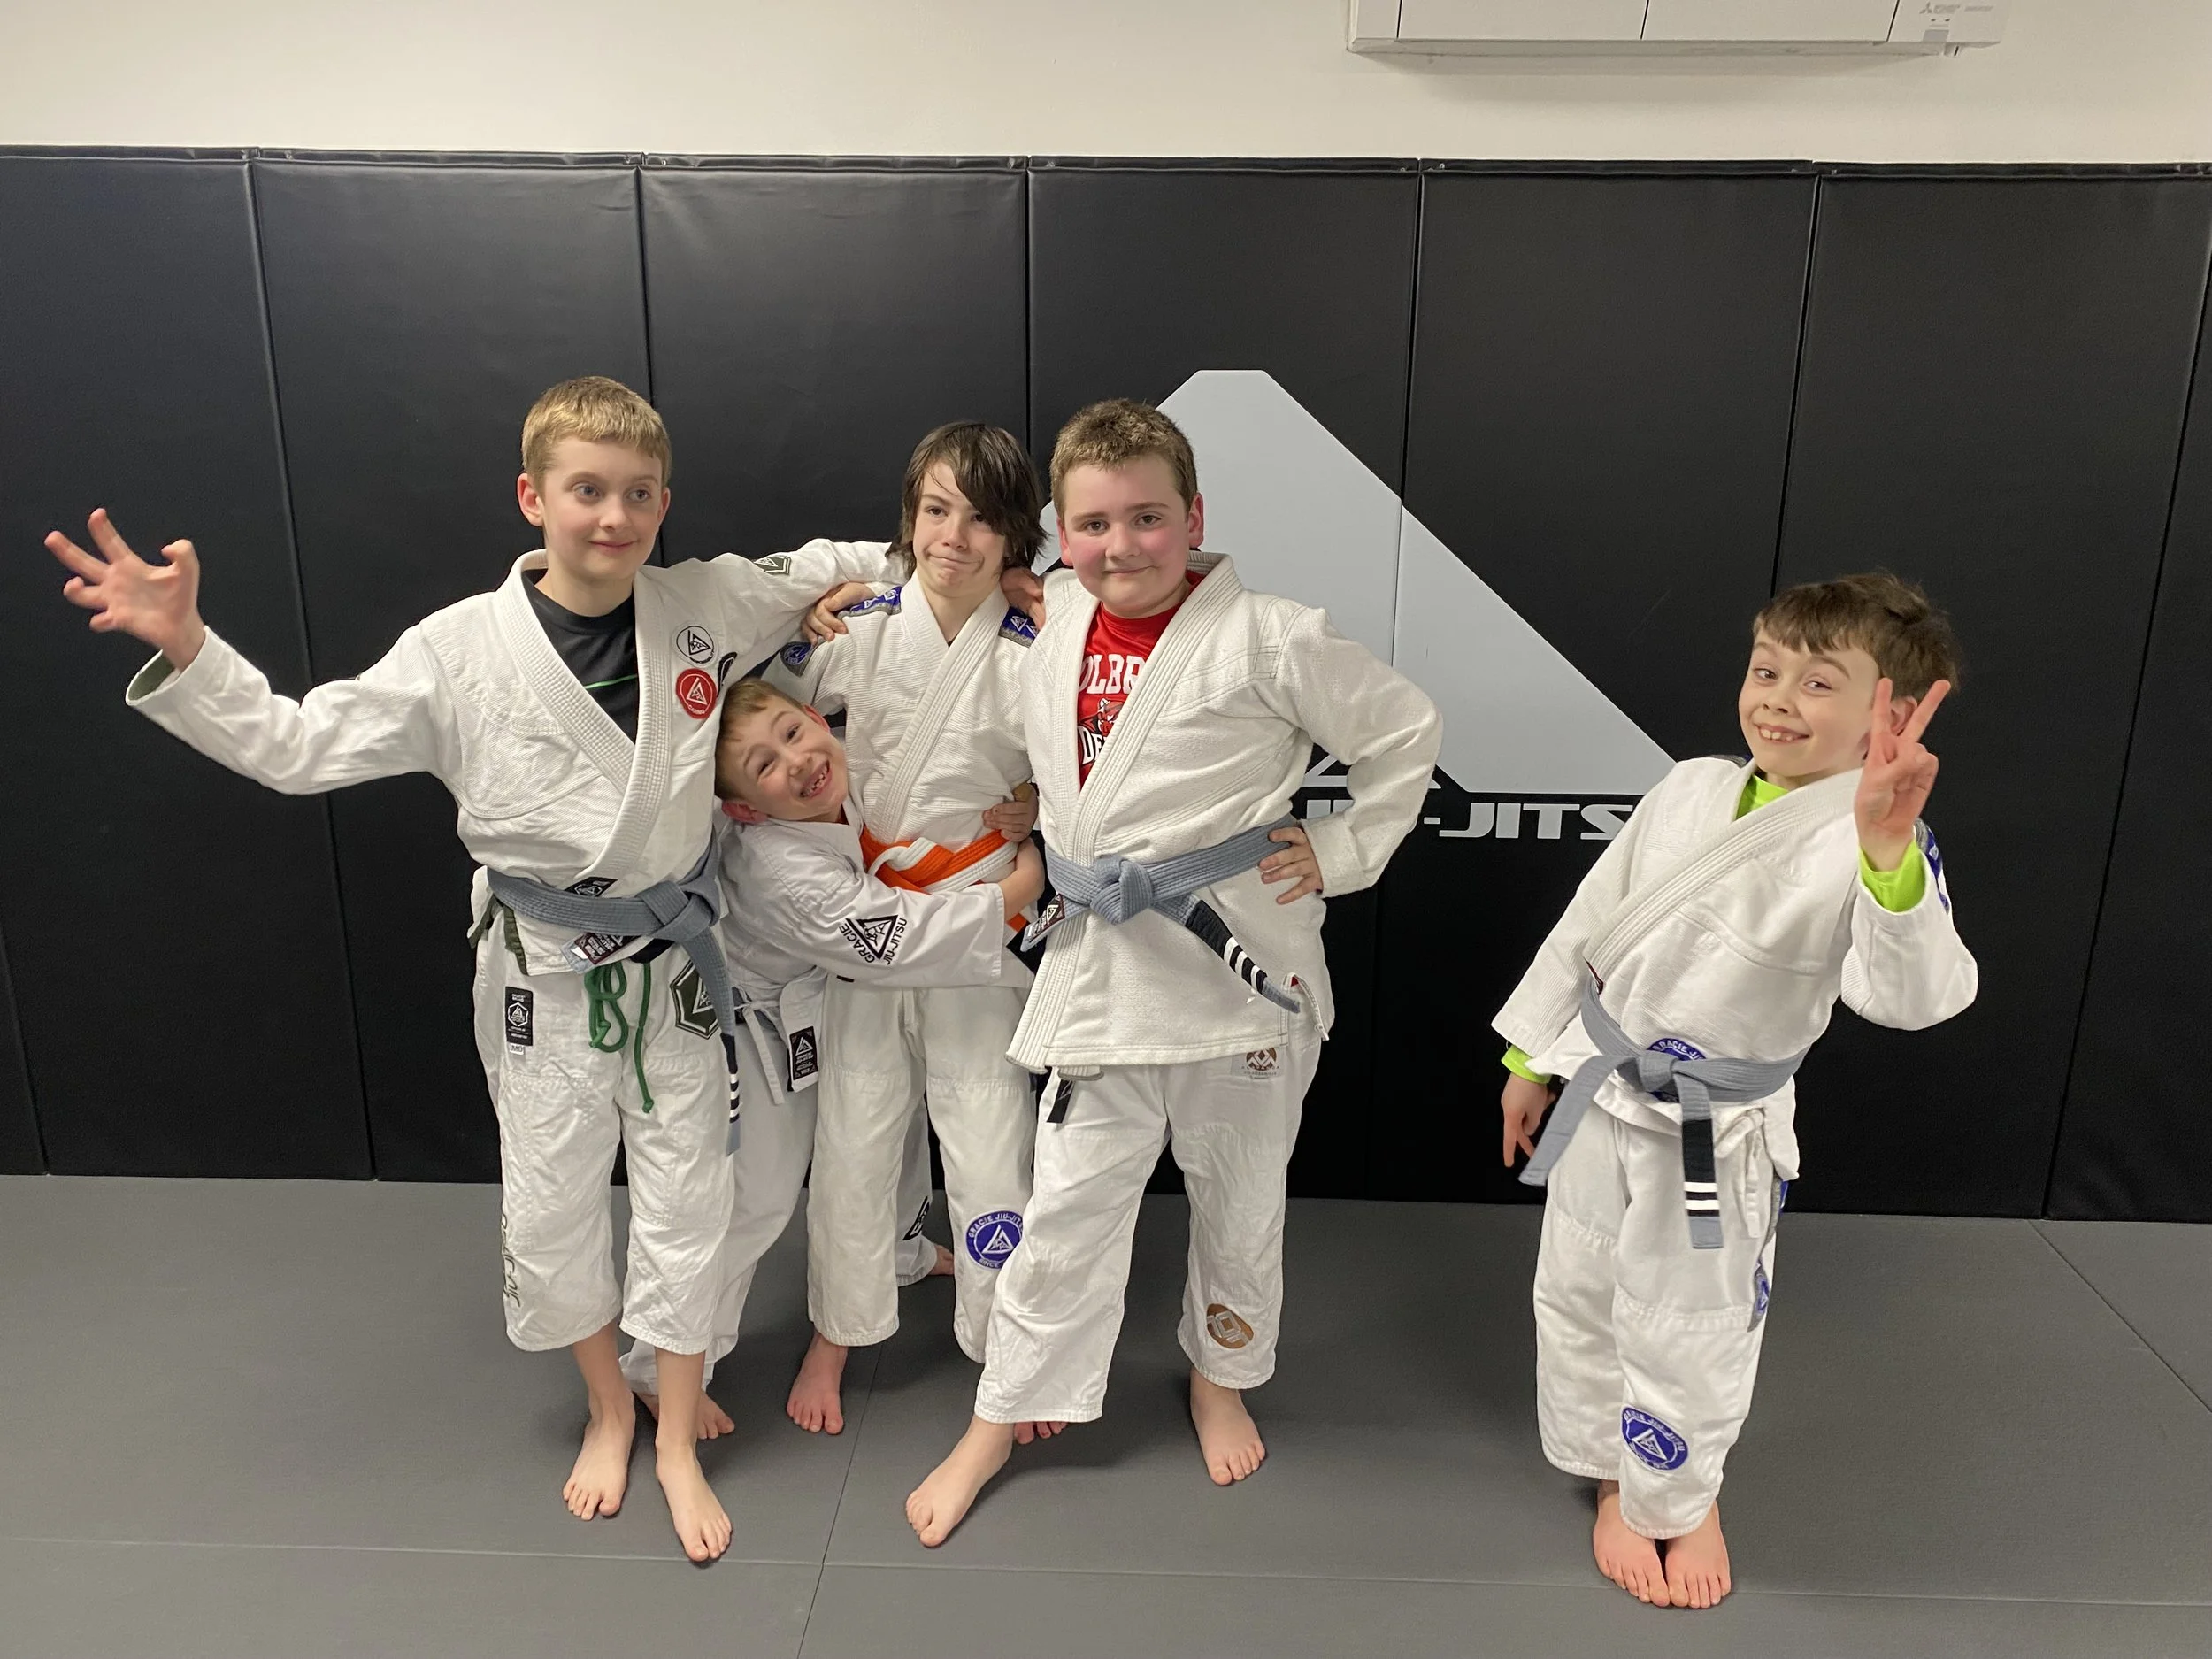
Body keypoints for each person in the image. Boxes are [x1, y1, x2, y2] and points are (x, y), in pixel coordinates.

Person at [42, 376, 899, 1563]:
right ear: (532, 494)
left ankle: (675, 1437)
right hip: (540, 975)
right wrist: (191, 645)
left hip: (674, 971)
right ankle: (610, 1409)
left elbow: (830, 560)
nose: (614, 515)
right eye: (587, 489)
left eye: (638, 492)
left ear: (664, 502)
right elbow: (299, 745)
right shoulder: (457, 653)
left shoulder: (700, 603)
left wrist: (959, 571)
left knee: (689, 1196)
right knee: (552, 1198)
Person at [903, 398, 1441, 1547]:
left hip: (1238, 980)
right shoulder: (1050, 630)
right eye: (1092, 524)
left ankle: (1222, 1374)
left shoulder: (1273, 636)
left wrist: (1340, 851)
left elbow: (1402, 732)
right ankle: (1007, 1404)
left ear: (1194, 516)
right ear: (1061, 530)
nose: (1121, 545)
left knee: (1240, 1205)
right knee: (1064, 1210)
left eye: (1148, 518)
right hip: (1105, 975)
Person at [1494, 572, 1977, 1609]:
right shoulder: (1688, 789)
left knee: (1689, 1321)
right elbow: (1590, 920)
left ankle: (1677, 1496)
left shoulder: (1872, 836)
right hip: (1604, 1089)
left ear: (1885, 717)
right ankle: (1608, 1471)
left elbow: (1911, 998)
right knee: (1576, 1290)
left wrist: (1889, 851)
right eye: (1765, 671)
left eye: (1816, 683)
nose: (1774, 700)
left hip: (1713, 1130)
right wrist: (1532, 1058)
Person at [618, 676, 1046, 1434]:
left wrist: (1024, 802)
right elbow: (894, 937)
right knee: (755, 1197)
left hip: (823, 1004)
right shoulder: (778, 865)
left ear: (817, 715)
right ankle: (659, 1365)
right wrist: (1019, 886)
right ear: (743, 807)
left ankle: (907, 1252)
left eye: (792, 731)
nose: (799, 760)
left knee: (899, 1128)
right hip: (744, 1029)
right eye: (764, 765)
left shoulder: (852, 765)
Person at [770, 424, 1045, 1433]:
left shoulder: (1038, 646)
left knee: (988, 1143)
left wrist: (1036, 824)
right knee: (854, 1140)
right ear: (909, 518)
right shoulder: (860, 625)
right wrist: (805, 623)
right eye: (935, 510)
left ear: (1015, 534)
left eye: (980, 518)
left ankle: (1003, 1345)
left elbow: (1078, 781)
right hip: (869, 921)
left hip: (977, 919)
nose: (953, 538)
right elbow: (771, 730)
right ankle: (837, 1333)